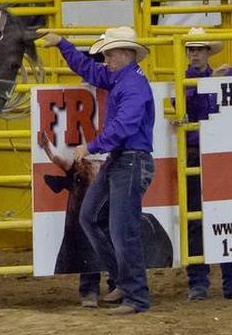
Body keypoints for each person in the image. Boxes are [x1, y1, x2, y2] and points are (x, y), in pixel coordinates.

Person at [42, 27, 154, 315]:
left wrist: (90, 146)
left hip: (129, 161)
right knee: (90, 218)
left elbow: (123, 127)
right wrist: (62, 44)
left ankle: (137, 296)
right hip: (123, 160)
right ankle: (126, 283)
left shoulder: (132, 86)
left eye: (110, 52)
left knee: (120, 229)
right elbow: (89, 69)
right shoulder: (124, 78)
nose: (106, 57)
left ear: (126, 54)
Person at [180, 27, 232, 300]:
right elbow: (185, 107)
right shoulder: (185, 80)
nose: (196, 53)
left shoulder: (218, 77)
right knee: (197, 220)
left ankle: (221, 282)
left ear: (207, 52)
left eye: (200, 49)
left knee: (223, 216)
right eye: (192, 49)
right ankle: (199, 282)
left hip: (219, 152)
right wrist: (211, 80)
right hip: (198, 152)